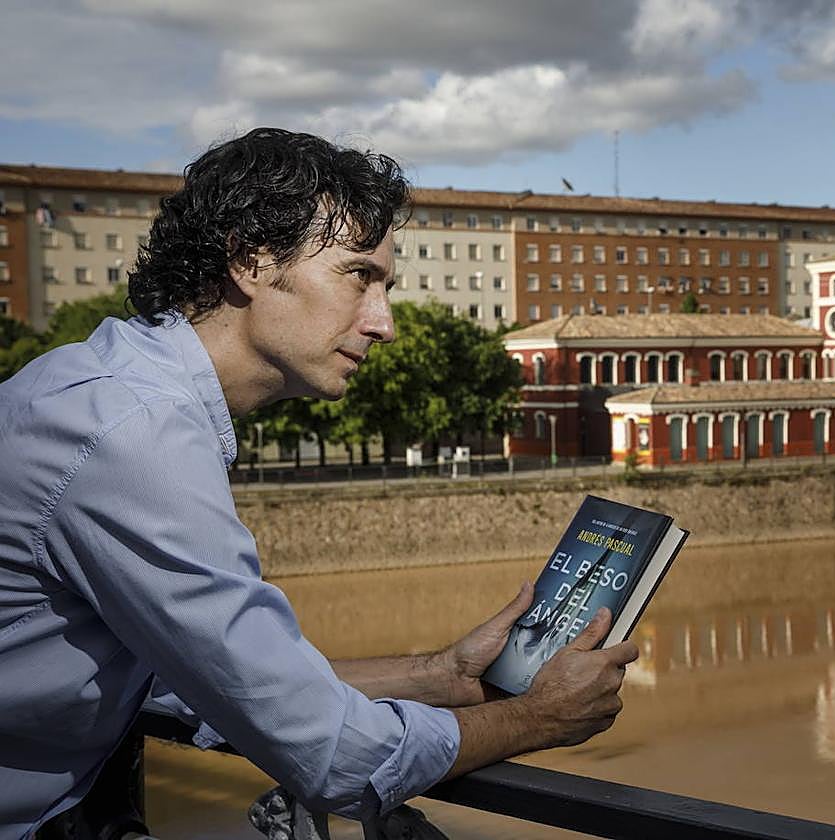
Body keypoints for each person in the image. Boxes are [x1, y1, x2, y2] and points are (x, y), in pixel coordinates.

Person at [0, 127, 638, 839]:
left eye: (386, 285)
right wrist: (532, 716)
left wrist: (442, 673)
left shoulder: (106, 385)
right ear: (251, 259)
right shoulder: (134, 433)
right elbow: (334, 754)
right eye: (359, 275)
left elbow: (194, 682)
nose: (385, 323)